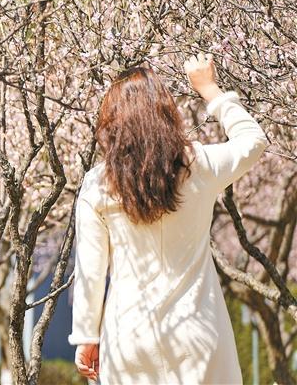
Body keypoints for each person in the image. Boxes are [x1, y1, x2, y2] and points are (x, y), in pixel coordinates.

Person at [68, 54, 268, 384]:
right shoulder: (199, 164)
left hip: (127, 335)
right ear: (166, 113)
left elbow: (90, 271)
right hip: (197, 330)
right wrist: (210, 89)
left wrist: (87, 336)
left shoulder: (97, 185)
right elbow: (253, 141)